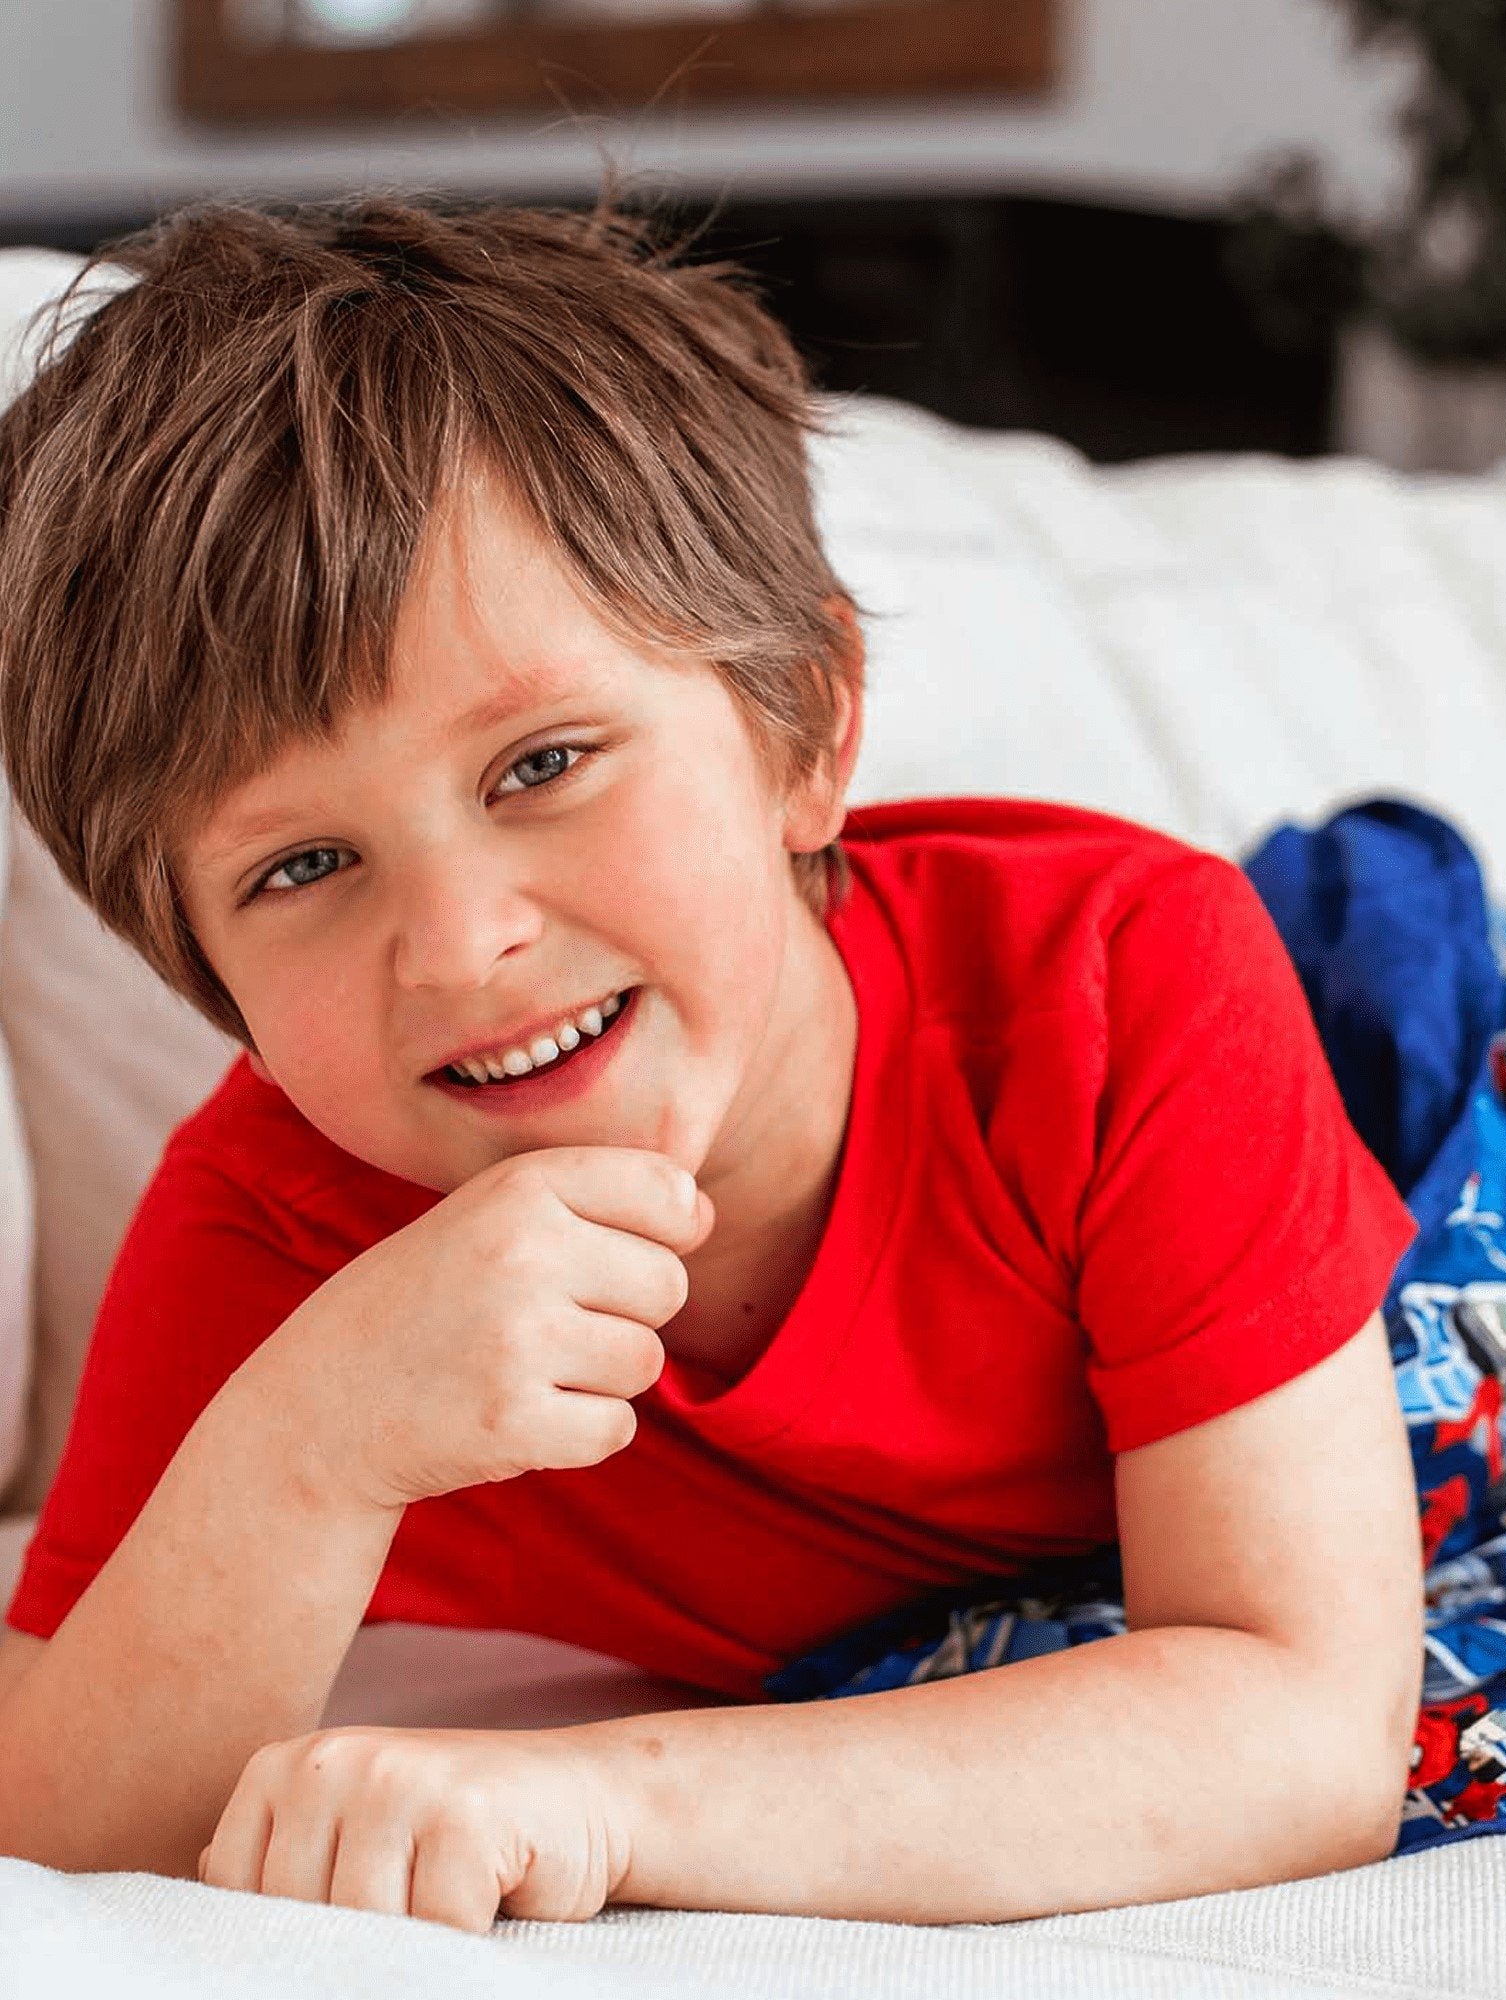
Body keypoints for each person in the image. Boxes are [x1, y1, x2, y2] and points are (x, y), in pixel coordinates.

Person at [0, 198, 1423, 1931]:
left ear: (806, 733)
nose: (456, 945)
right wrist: (307, 1448)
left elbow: (1308, 1726)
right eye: (299, 868)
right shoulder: (277, 1235)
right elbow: (55, 1824)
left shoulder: (1123, 983)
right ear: (202, 972)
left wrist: (604, 1798)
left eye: (543, 764)